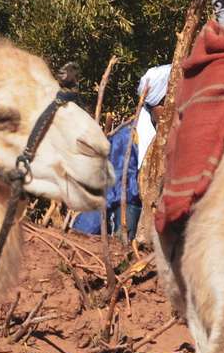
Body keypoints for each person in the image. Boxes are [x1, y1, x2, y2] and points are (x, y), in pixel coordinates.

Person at [70, 63, 171, 238]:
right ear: (152, 105)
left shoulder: (174, 136)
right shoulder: (127, 138)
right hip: (128, 218)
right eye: (164, 104)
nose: (169, 111)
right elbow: (112, 191)